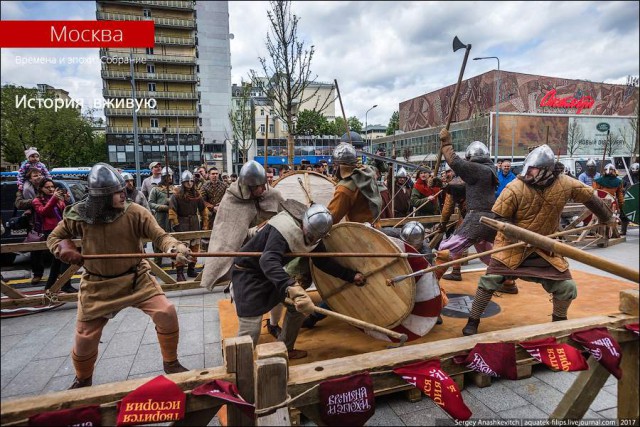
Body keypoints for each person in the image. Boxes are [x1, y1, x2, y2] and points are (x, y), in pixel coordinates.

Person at [47, 162, 194, 389]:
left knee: (166, 312)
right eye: (116, 193)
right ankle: (83, 379)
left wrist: (175, 248)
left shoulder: (135, 211)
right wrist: (64, 249)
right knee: (85, 337)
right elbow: (54, 238)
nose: (123, 194)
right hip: (97, 284)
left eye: (122, 189)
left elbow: (160, 236)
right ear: (100, 197)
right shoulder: (80, 215)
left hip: (136, 279)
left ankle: (171, 363)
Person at [461, 145, 614, 336]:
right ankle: (473, 321)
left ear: (546, 170)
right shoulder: (515, 188)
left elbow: (590, 197)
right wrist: (518, 236)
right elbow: (499, 219)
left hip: (545, 249)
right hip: (512, 247)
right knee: (489, 281)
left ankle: (558, 323)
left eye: (532, 169)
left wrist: (606, 217)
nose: (528, 173)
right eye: (528, 168)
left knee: (567, 286)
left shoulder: (565, 183)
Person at [231, 202, 365, 359]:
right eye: (310, 235)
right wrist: (292, 287)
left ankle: (285, 349)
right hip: (248, 274)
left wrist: (351, 276)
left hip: (270, 274)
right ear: (304, 224)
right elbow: (267, 260)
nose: (311, 240)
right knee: (250, 328)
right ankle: (238, 365)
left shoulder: (315, 234)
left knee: (298, 308)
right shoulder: (283, 229)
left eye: (315, 238)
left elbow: (323, 261)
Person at [200, 160, 286, 337]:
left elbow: (285, 219)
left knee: (278, 292)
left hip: (269, 255)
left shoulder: (273, 195)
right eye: (258, 187)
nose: (263, 190)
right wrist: (258, 231)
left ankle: (273, 324)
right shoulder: (231, 199)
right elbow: (228, 234)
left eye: (264, 185)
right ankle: (246, 341)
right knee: (244, 300)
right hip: (244, 260)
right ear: (247, 186)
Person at [436, 131, 500, 286]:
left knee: (445, 247)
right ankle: (507, 281)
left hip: (477, 217)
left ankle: (431, 281)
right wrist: (441, 185)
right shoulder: (487, 170)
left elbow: (456, 162)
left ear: (471, 158)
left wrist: (446, 144)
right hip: (488, 218)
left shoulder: (479, 169)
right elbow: (461, 187)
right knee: (485, 252)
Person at [31, 178, 77, 293]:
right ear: (41, 188)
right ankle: (65, 285)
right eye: (47, 187)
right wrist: (54, 199)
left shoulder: (57, 199)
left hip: (62, 230)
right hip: (50, 232)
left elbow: (66, 212)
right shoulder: (36, 201)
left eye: (52, 187)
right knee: (65, 258)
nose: (51, 189)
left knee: (57, 262)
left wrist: (66, 201)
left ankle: (50, 286)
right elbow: (43, 212)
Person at [326, 142, 382, 226]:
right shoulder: (366, 174)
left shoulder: (345, 188)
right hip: (376, 227)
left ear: (337, 165)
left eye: (334, 164)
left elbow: (331, 218)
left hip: (359, 234)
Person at [169, 170, 208, 281]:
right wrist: (175, 224)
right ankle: (180, 273)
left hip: (195, 223)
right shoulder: (176, 195)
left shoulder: (197, 194)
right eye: (187, 181)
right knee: (181, 249)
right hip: (182, 223)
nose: (190, 183)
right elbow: (172, 211)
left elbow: (203, 210)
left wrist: (205, 224)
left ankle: (191, 269)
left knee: (195, 249)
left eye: (191, 181)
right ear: (183, 182)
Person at [15, 167, 46, 284]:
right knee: (35, 250)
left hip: (48, 220)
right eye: (35, 175)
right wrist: (34, 201)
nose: (38, 177)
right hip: (33, 222)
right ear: (29, 178)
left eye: (40, 174)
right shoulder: (22, 189)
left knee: (55, 248)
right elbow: (18, 203)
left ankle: (58, 273)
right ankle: (37, 274)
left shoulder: (48, 185)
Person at [148, 167, 175, 266]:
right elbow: (150, 203)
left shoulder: (175, 189)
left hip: (172, 218)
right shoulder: (156, 189)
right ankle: (157, 265)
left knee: (174, 241)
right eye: (167, 176)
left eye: (171, 176)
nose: (170, 178)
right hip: (160, 218)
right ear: (163, 177)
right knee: (158, 241)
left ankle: (176, 265)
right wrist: (163, 207)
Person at [593, 163, 628, 235]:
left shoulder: (597, 181)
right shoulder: (618, 181)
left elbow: (594, 192)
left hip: (601, 202)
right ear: (614, 171)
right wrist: (621, 205)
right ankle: (606, 232)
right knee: (608, 218)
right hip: (610, 202)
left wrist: (621, 204)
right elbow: (619, 195)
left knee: (601, 217)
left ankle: (601, 231)